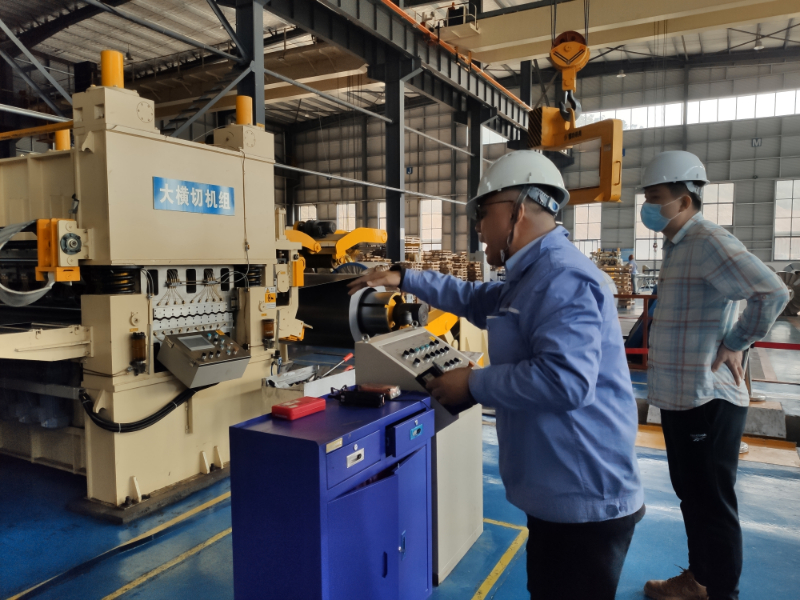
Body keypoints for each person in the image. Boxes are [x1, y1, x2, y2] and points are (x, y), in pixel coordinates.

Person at [348, 150, 644, 600]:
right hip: (558, 489)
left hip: (584, 496)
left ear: (517, 211)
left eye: (482, 213)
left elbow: (566, 381)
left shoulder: (563, 278)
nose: (478, 227)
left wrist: (472, 384)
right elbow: (473, 298)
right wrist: (403, 278)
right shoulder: (530, 276)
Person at [638, 151, 789, 600]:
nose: (648, 206)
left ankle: (722, 592)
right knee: (693, 497)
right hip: (681, 396)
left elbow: (772, 291)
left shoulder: (707, 240)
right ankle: (698, 581)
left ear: (684, 200)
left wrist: (737, 342)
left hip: (707, 399)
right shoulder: (677, 245)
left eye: (656, 197)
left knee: (712, 505)